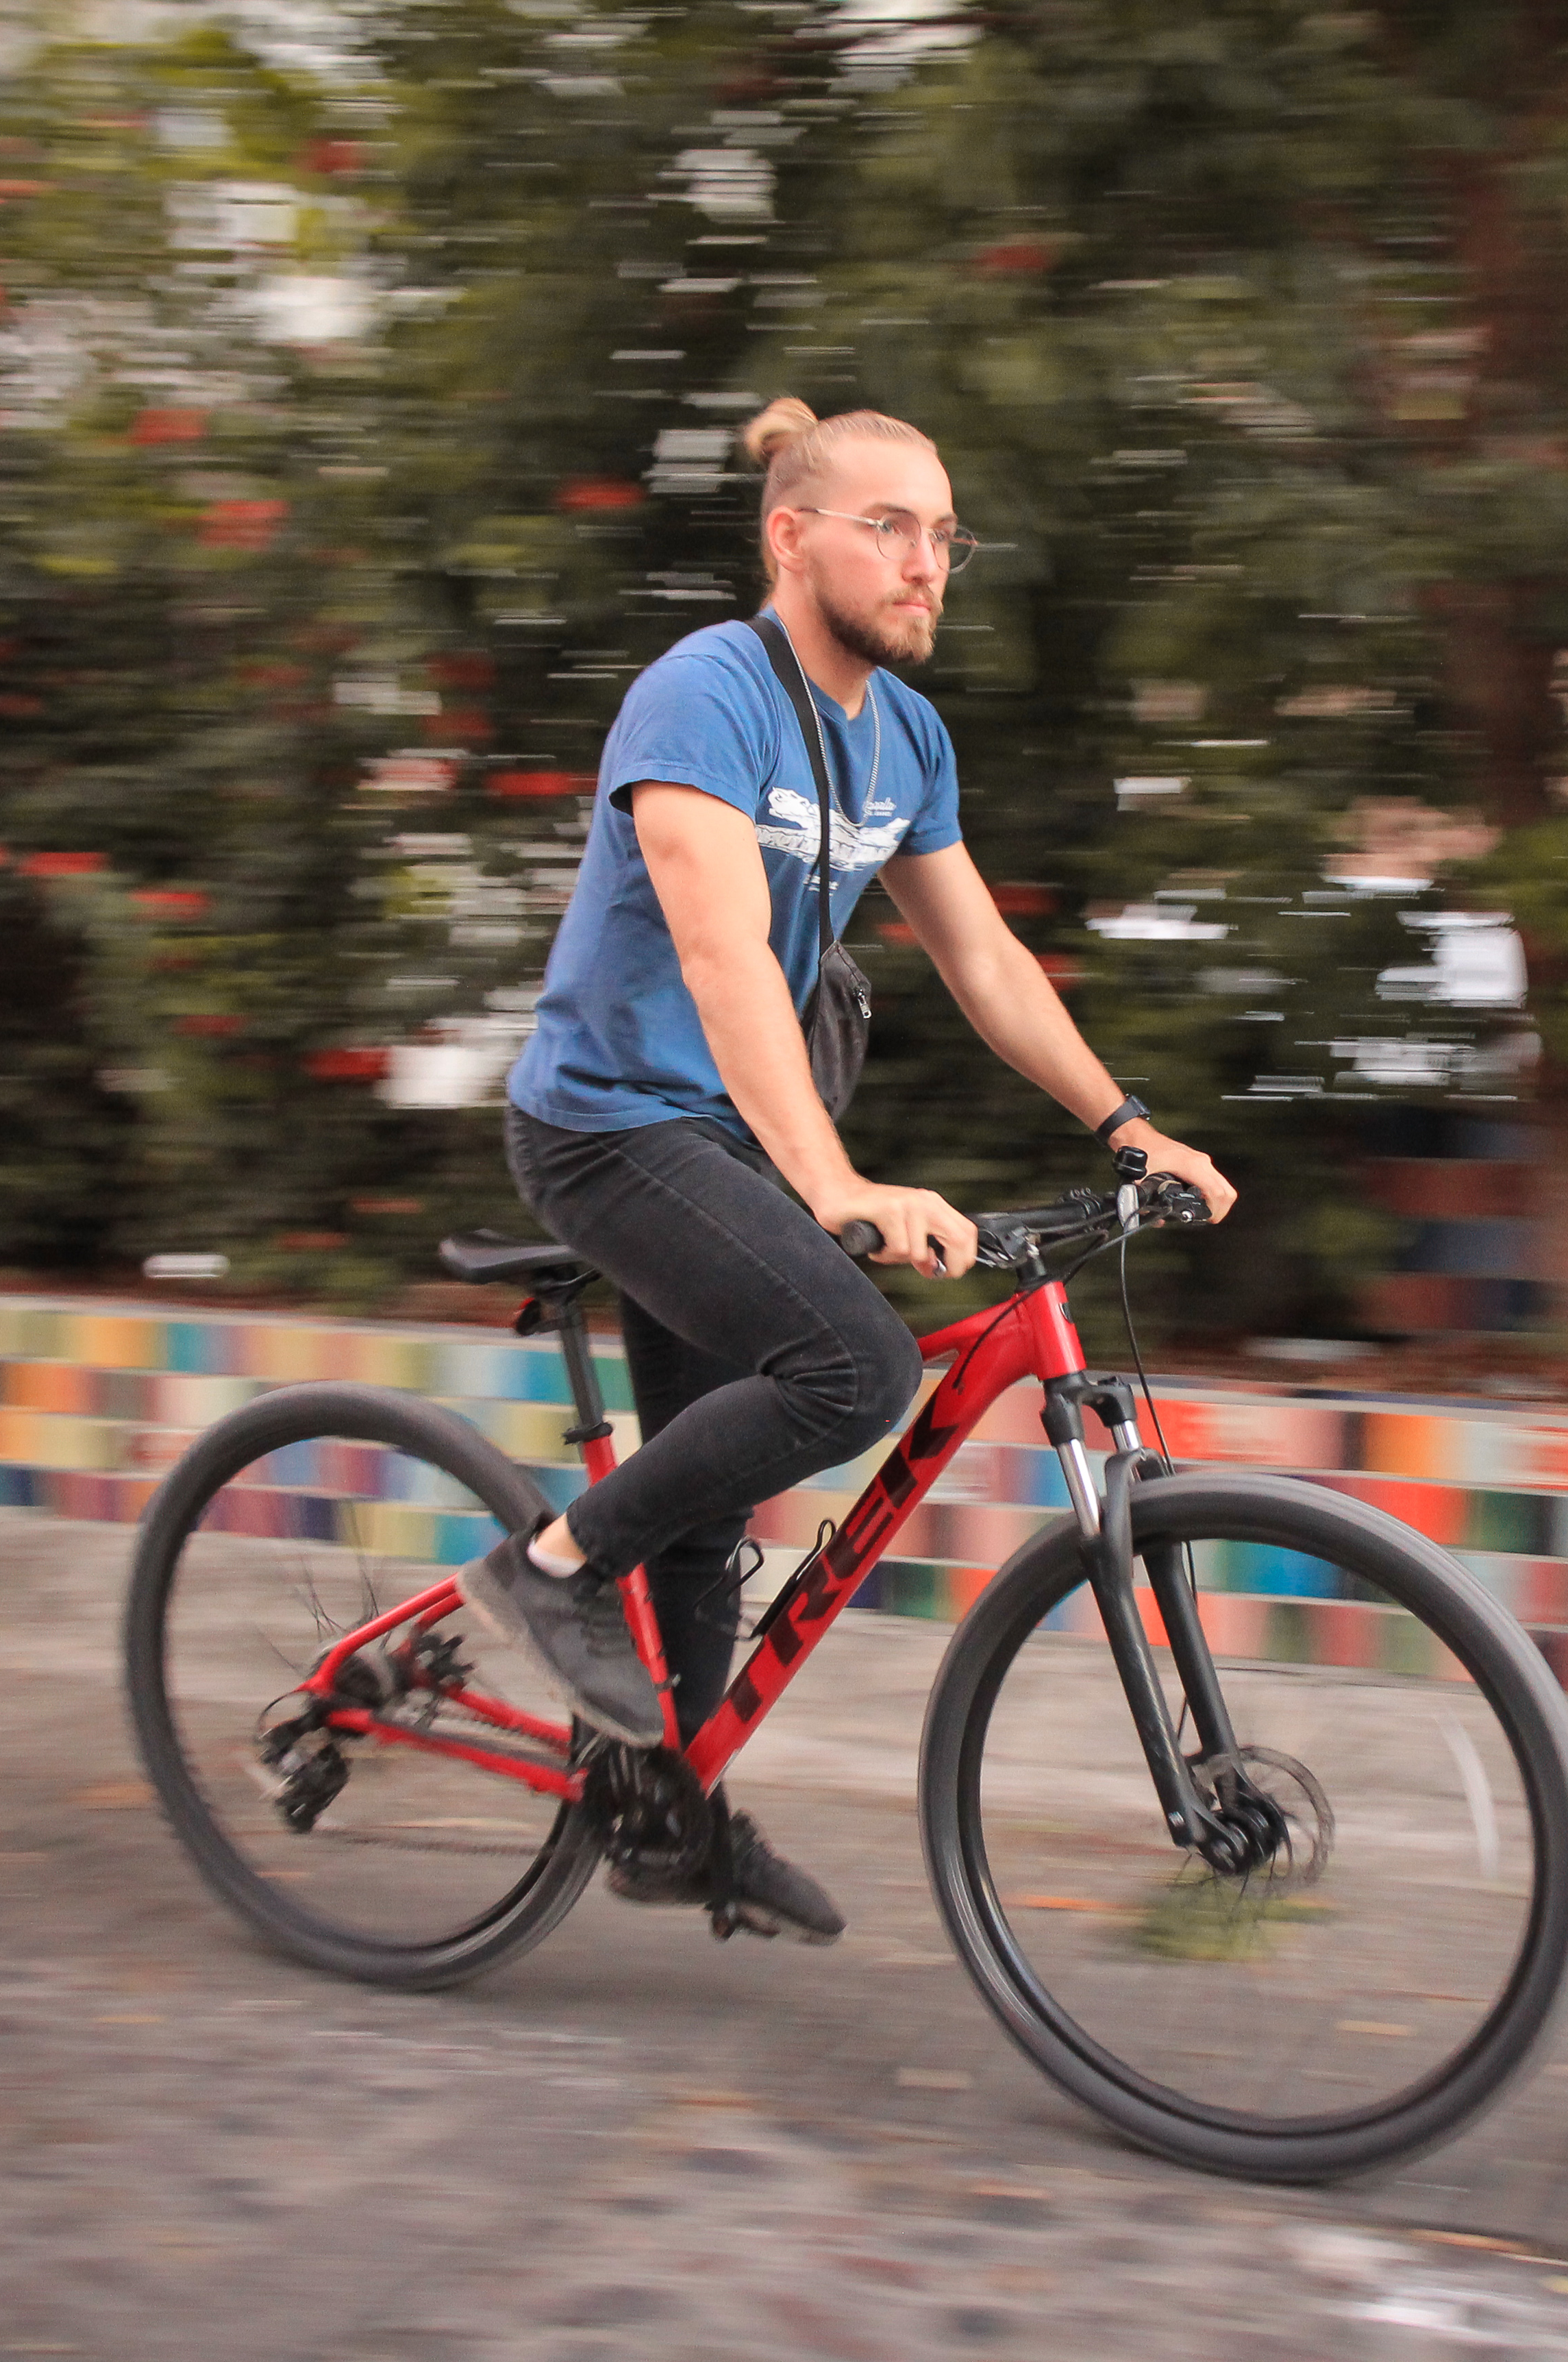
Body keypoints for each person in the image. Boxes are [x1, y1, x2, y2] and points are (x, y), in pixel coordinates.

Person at [458, 397, 1237, 1941]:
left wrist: (1125, 1122)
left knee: (712, 1504)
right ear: (789, 537)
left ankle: (663, 1816)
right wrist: (833, 1182)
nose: (925, 562)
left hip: (731, 1133)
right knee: (851, 1365)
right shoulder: (705, 695)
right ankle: (546, 1571)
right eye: (888, 526)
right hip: (610, 1126)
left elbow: (982, 956)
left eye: (943, 535)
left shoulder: (905, 734)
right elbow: (720, 947)